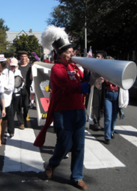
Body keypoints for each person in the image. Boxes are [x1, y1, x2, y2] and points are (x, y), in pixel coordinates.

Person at [34, 27, 89, 190]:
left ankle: (77, 176)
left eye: (73, 51)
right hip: (63, 112)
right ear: (60, 53)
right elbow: (70, 87)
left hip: (79, 110)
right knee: (64, 145)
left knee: (79, 145)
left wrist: (90, 75)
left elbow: (82, 83)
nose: (73, 54)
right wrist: (86, 85)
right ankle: (51, 164)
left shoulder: (75, 68)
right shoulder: (57, 69)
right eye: (70, 51)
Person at [0, 54, 14, 148]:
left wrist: (2, 88)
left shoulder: (9, 73)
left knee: (4, 120)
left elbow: (11, 87)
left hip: (6, 100)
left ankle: (2, 136)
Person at [103, 56, 119, 145]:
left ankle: (112, 130)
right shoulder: (104, 72)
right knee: (108, 116)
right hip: (107, 94)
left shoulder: (117, 72)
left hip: (116, 94)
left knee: (114, 116)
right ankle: (107, 136)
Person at [89, 50, 106, 131]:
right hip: (95, 88)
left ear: (103, 58)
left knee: (101, 106)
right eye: (96, 56)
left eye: (98, 56)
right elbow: (91, 78)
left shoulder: (106, 66)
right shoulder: (94, 66)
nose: (96, 58)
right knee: (95, 105)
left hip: (104, 89)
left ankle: (100, 121)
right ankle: (96, 122)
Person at [9, 57, 24, 137]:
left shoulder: (18, 71)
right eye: (11, 66)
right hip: (8, 94)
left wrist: (19, 86)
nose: (13, 67)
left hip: (17, 93)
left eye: (14, 66)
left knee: (14, 110)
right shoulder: (6, 72)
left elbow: (21, 82)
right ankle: (10, 129)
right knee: (10, 112)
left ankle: (11, 130)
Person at [18, 51, 32, 128]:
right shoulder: (17, 66)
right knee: (19, 106)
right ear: (20, 57)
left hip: (27, 88)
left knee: (26, 106)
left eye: (25, 56)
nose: (23, 58)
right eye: (22, 56)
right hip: (18, 89)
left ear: (27, 57)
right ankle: (21, 123)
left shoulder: (30, 67)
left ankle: (24, 118)